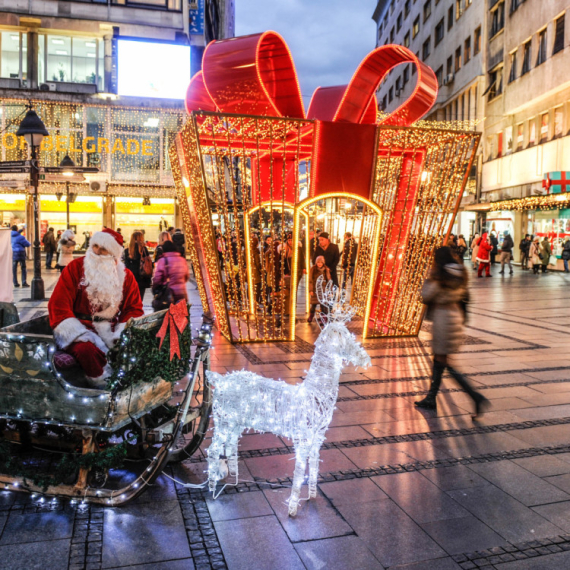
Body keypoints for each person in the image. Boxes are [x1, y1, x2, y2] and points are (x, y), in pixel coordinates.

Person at [48, 228, 143, 387]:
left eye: (104, 248)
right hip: (79, 330)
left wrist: (122, 332)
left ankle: (128, 386)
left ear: (113, 253)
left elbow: (133, 308)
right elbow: (59, 304)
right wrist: (78, 332)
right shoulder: (75, 268)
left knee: (133, 349)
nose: (97, 251)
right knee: (87, 350)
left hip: (110, 328)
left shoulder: (126, 276)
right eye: (95, 245)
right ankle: (102, 387)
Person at [415, 246, 489, 417]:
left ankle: (475, 396)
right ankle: (431, 398)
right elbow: (466, 296)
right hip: (454, 315)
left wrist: (430, 277)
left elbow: (426, 295)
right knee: (440, 360)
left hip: (443, 319)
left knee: (444, 361)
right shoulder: (460, 273)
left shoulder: (440, 275)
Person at [152, 240, 189, 307]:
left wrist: (155, 289)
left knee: (167, 315)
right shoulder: (182, 260)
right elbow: (186, 276)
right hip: (181, 293)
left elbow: (157, 278)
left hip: (168, 294)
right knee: (180, 314)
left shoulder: (162, 260)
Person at [124, 231, 152, 301]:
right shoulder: (144, 250)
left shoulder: (127, 251)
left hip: (132, 278)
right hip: (142, 278)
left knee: (131, 298)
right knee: (140, 297)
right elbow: (148, 262)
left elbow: (126, 266)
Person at [308, 256, 332, 323]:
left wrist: (329, 290)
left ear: (323, 263)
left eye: (321, 262)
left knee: (323, 305)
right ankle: (311, 316)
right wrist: (311, 290)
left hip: (323, 290)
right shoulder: (313, 269)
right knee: (313, 305)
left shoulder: (326, 270)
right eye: (318, 262)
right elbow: (310, 280)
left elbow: (329, 280)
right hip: (315, 290)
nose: (319, 264)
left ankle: (324, 318)